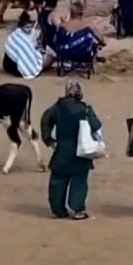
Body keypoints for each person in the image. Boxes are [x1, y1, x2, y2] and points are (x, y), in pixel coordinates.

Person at [40, 80, 102, 220]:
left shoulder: (56, 108)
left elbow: (45, 120)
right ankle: (77, 209)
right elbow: (96, 125)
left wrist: (48, 139)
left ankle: (58, 210)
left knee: (58, 181)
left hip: (62, 150)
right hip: (81, 151)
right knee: (79, 181)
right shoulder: (85, 109)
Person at [3, 11, 51, 78]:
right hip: (17, 69)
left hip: (7, 65)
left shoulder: (13, 35)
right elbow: (29, 50)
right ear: (22, 27)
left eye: (30, 27)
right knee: (48, 56)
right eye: (27, 27)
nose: (30, 29)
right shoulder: (20, 36)